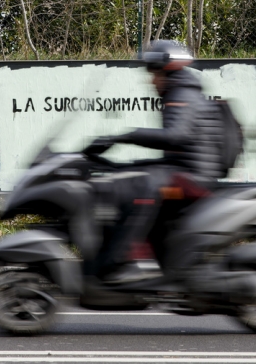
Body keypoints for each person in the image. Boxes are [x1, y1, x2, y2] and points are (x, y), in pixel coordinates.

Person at [83, 40, 225, 283]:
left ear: (167, 71)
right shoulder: (180, 92)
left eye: (154, 73)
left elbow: (176, 135)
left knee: (144, 188)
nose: (151, 81)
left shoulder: (182, 94)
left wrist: (124, 136)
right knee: (127, 174)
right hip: (185, 170)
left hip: (195, 176)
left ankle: (124, 261)